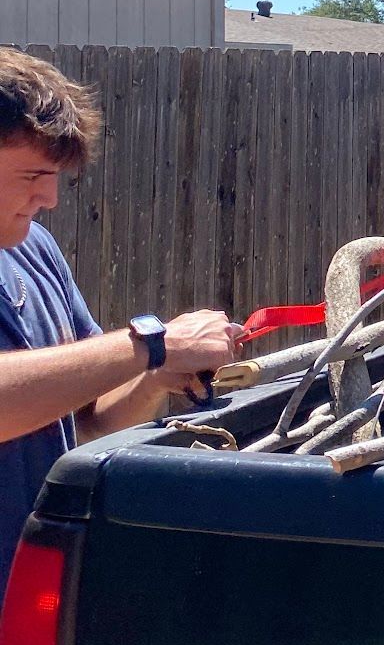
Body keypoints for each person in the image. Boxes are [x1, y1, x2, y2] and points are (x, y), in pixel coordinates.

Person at [0, 48, 240, 586]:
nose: (51, 198)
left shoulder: (31, 248)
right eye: (33, 175)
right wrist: (151, 345)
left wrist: (151, 379)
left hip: (30, 599)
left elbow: (83, 425)